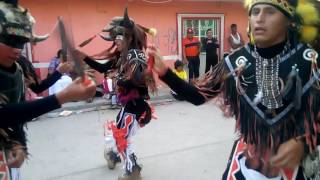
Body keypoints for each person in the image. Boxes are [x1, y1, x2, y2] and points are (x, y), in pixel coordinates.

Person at [148, 0, 320, 179]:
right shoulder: (236, 61)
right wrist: (164, 72)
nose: (259, 19)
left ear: (289, 21)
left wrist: (304, 143)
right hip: (247, 160)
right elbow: (198, 96)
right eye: (255, 12)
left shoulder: (310, 61)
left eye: (270, 12)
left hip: (291, 164)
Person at [0, 0, 96, 179]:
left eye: (21, 42)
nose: (16, 49)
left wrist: (18, 143)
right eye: (10, 41)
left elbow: (37, 89)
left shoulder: (20, 65)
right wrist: (61, 98)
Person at [76, 8, 156, 180]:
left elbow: (139, 79)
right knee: (116, 134)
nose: (115, 43)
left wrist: (119, 79)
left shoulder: (135, 54)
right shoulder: (122, 57)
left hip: (136, 106)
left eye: (118, 39)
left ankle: (133, 171)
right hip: (130, 105)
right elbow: (103, 68)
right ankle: (113, 157)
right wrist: (84, 57)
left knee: (122, 138)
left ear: (127, 38)